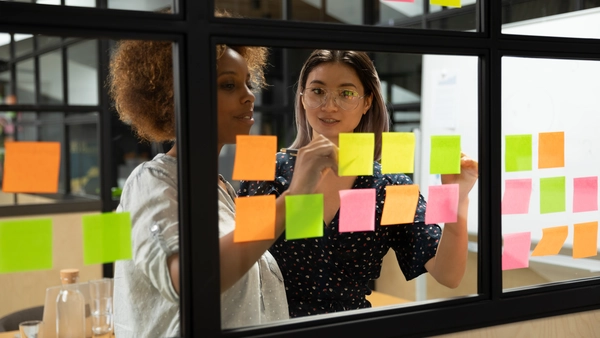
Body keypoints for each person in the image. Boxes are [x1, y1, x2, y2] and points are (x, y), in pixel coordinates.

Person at [108, 36, 340, 335]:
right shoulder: (151, 182)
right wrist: (294, 195)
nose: (249, 97)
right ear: (180, 95)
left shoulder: (219, 188)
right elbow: (190, 280)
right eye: (228, 85)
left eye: (247, 84)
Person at [238, 49, 479, 318]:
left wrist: (457, 199)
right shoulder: (267, 172)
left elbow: (448, 274)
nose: (330, 106)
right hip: (274, 325)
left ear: (367, 103)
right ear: (302, 98)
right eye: (318, 91)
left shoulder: (388, 187)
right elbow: (238, 263)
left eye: (346, 93)